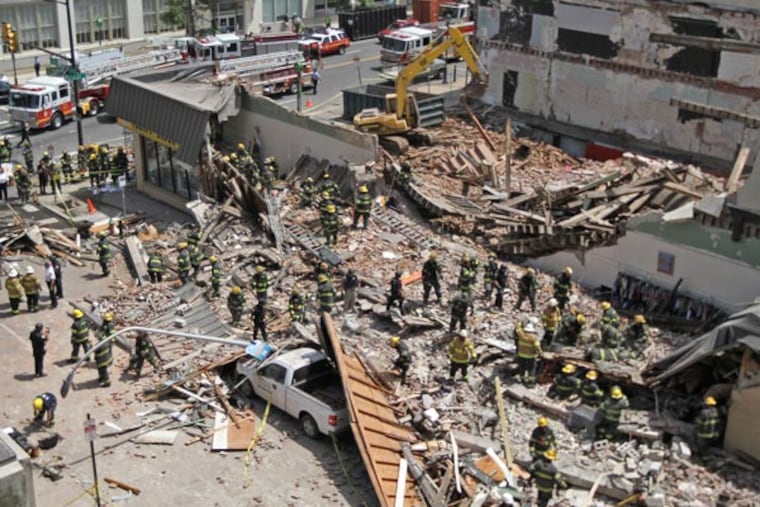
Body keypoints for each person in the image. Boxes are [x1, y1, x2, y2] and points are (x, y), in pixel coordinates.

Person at [515, 320, 542, 386]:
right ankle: (530, 382)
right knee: (531, 369)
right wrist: (540, 353)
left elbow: (517, 328)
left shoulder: (521, 334)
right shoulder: (534, 337)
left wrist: (519, 322)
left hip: (521, 355)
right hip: (530, 356)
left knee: (522, 368)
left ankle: (522, 379)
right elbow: (537, 346)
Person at [95, 313, 115, 387]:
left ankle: (107, 382)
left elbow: (112, 333)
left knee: (109, 351)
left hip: (108, 341)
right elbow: (102, 329)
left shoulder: (110, 325)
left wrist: (111, 340)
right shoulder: (105, 324)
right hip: (105, 341)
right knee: (102, 370)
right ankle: (102, 378)